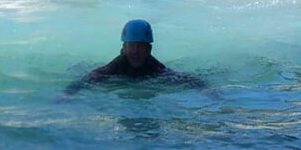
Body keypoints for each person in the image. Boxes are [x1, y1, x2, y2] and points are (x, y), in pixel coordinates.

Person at [62, 20, 206, 96]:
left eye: (140, 47)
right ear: (124, 48)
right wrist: (67, 94)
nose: (135, 51)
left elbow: (184, 79)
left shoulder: (154, 67)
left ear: (149, 49)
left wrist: (204, 90)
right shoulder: (117, 65)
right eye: (131, 46)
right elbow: (90, 78)